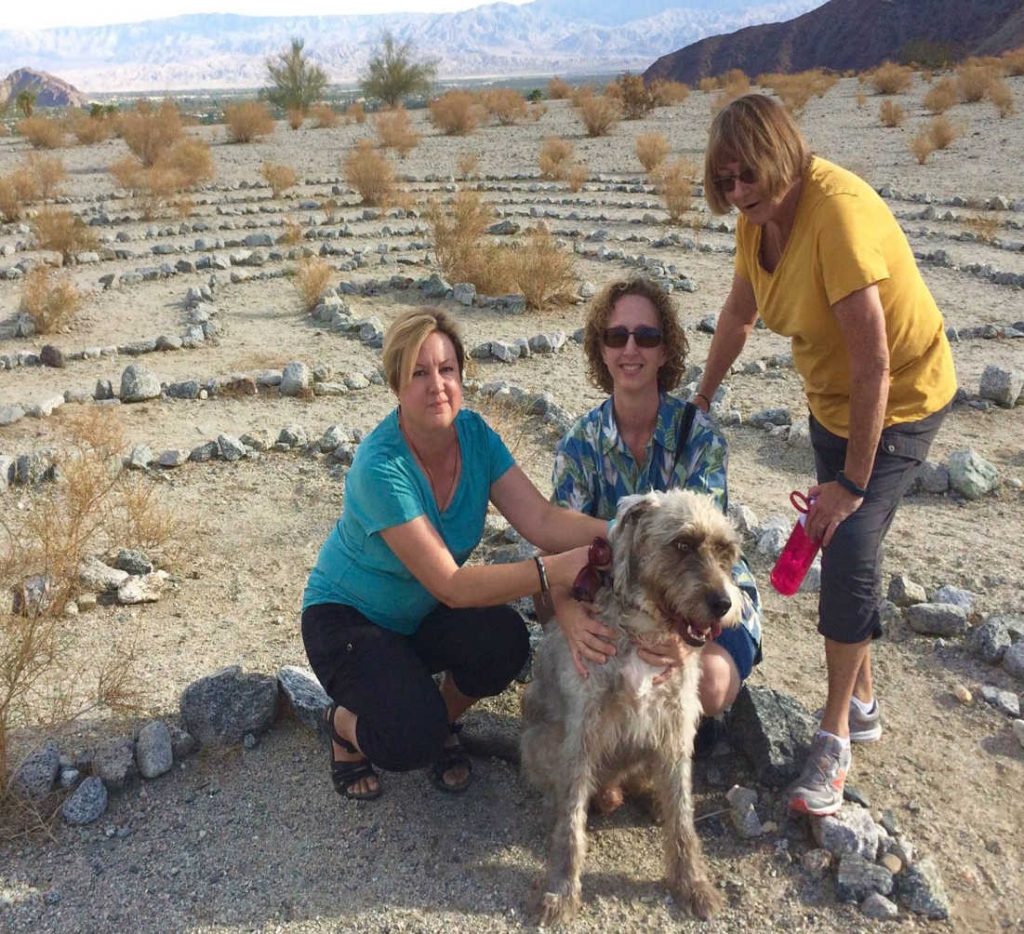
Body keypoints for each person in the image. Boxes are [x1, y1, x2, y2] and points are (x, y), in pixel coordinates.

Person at [698, 94, 956, 816]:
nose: (739, 193)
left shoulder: (836, 215)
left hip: (901, 399)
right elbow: (739, 315)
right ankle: (864, 698)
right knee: (840, 539)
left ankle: (835, 736)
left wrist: (851, 481)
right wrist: (700, 399)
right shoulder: (758, 223)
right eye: (725, 182)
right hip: (830, 403)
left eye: (748, 175)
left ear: (781, 154)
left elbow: (875, 363)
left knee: (846, 547)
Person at [301, 307, 607, 801]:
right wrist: (552, 572)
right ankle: (343, 726)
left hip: (418, 614)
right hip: (348, 622)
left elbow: (543, 521)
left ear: (462, 375)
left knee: (504, 640)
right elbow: (452, 584)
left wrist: (620, 531)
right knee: (406, 742)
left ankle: (435, 717)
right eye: (418, 373)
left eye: (446, 369)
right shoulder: (380, 466)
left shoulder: (476, 437)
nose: (436, 385)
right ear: (396, 385)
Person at [551, 276, 763, 812]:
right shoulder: (581, 443)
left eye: (646, 336)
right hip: (618, 600)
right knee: (585, 666)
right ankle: (616, 756)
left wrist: (688, 642)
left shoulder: (701, 440)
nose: (630, 349)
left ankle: (673, 738)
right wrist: (570, 617)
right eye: (616, 335)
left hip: (704, 598)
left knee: (709, 685)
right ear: (600, 348)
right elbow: (556, 550)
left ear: (666, 347)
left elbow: (711, 561)